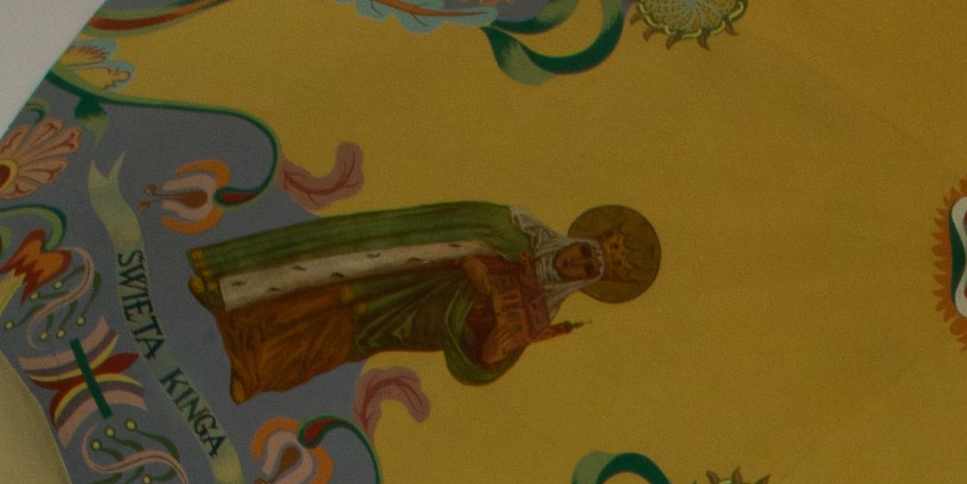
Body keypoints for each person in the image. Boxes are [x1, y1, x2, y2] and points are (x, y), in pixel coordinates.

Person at [189, 199, 660, 398]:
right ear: (576, 240)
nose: (575, 263)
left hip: (423, 323)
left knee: (340, 339)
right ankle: (228, 294)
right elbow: (448, 233)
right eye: (584, 253)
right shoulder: (515, 229)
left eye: (587, 270)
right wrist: (476, 271)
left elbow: (481, 365)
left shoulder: (544, 311)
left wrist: (493, 345)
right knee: (326, 290)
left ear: (586, 283)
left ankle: (253, 369)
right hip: (399, 276)